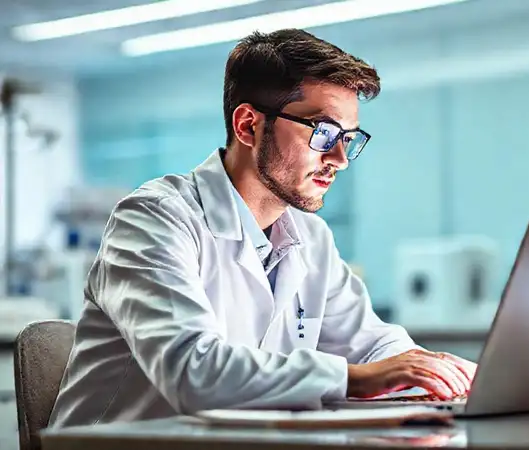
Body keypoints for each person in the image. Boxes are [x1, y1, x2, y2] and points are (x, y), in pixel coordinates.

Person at [48, 29, 476, 428]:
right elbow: (193, 372)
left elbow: (371, 345)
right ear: (248, 125)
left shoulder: (310, 238)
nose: (340, 158)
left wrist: (446, 371)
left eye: (348, 138)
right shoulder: (154, 219)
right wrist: (357, 379)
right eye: (324, 132)